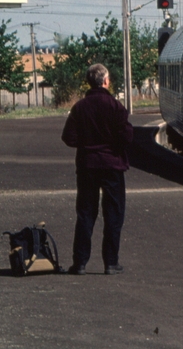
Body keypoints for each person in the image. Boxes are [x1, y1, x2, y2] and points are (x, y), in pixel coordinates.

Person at [61, 64, 133, 275]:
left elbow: (68, 137)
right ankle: (111, 262)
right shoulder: (115, 106)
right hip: (112, 166)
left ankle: (80, 263)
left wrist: (86, 144)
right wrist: (112, 147)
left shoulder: (80, 107)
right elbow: (128, 137)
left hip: (87, 166)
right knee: (113, 213)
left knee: (85, 213)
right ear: (105, 81)